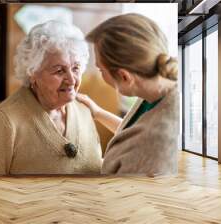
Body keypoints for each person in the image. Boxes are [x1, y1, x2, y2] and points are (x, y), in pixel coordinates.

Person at [0, 20, 102, 175]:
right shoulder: (5, 121)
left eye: (76, 68)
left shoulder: (84, 111)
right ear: (32, 73)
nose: (72, 80)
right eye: (59, 71)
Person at [77, 13, 179, 176]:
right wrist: (97, 112)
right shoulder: (154, 93)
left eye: (101, 70)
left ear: (124, 76)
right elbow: (133, 134)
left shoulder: (155, 143)